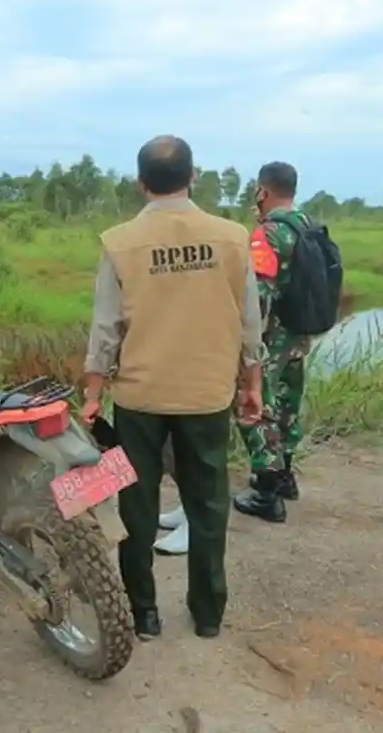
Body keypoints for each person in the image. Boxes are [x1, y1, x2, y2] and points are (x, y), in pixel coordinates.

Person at [81, 136, 263, 641]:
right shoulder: (232, 238)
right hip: (207, 394)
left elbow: (105, 329)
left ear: (141, 183)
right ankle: (208, 615)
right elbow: (250, 321)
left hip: (140, 398)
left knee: (136, 507)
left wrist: (93, 395)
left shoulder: (120, 242)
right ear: (193, 176)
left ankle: (143, 614)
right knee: (208, 506)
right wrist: (252, 384)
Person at [234, 162, 313, 523]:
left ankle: (266, 491)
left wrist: (249, 342)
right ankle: (285, 478)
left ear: (262, 191)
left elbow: (259, 295)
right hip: (299, 331)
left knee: (254, 403)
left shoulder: (269, 233)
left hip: (272, 335)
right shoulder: (307, 225)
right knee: (288, 402)